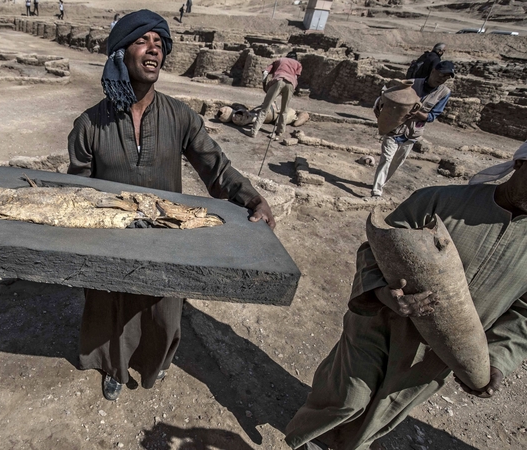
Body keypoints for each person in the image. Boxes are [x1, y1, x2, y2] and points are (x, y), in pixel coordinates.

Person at [67, 10, 276, 401]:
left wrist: (253, 198)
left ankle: (154, 363)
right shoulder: (89, 125)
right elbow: (77, 189)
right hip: (110, 238)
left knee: (163, 310)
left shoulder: (180, 117)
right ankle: (113, 367)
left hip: (167, 237)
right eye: (143, 41)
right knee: (111, 307)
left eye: (160, 45)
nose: (154, 51)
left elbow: (216, 167)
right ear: (119, 53)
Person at [285, 141, 527, 450]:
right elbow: (374, 249)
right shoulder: (440, 201)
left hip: (437, 357)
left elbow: (523, 317)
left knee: (380, 416)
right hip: (381, 325)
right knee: (347, 398)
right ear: (520, 165)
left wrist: (494, 361)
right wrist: (383, 294)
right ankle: (310, 438)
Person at [370, 61, 453, 197]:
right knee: (386, 158)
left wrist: (417, 113)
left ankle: (382, 182)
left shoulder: (444, 93)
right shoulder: (412, 83)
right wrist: (379, 109)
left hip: (412, 133)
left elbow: (432, 116)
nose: (442, 79)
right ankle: (377, 190)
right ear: (433, 71)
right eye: (441, 75)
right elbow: (385, 97)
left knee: (397, 162)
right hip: (394, 128)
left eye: (446, 77)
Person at [250, 52, 302, 140]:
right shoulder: (298, 64)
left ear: (287, 56)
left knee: (265, 108)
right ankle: (279, 132)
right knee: (284, 110)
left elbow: (265, 73)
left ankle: (254, 131)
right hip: (291, 83)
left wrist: (264, 85)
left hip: (278, 80)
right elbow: (296, 78)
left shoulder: (279, 60)